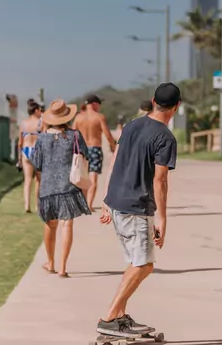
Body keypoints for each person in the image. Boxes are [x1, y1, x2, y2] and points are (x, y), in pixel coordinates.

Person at [96, 83, 180, 339]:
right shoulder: (165, 137)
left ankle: (120, 317)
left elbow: (116, 159)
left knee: (135, 262)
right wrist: (163, 219)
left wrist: (107, 199)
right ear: (176, 107)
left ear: (153, 100)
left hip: (119, 203)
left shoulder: (132, 125)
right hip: (136, 207)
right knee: (144, 265)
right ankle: (109, 318)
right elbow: (160, 180)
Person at [30, 99, 93, 278]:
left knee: (50, 225)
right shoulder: (75, 135)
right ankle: (63, 268)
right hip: (69, 186)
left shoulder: (42, 138)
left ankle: (50, 262)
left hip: (48, 187)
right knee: (67, 224)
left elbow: (37, 164)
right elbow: (84, 155)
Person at [72, 94, 118, 209]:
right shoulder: (99, 117)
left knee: (82, 177)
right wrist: (113, 147)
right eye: (99, 104)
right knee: (93, 178)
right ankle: (89, 204)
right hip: (94, 148)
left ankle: (82, 204)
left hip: (81, 149)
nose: (100, 107)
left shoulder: (78, 117)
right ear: (94, 104)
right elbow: (107, 134)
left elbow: (72, 134)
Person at [18, 100, 44, 213]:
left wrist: (19, 157)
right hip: (37, 150)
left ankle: (26, 205)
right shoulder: (41, 123)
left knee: (27, 179)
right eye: (40, 110)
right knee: (38, 179)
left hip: (26, 150)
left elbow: (20, 142)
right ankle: (37, 205)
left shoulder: (23, 124)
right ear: (36, 110)